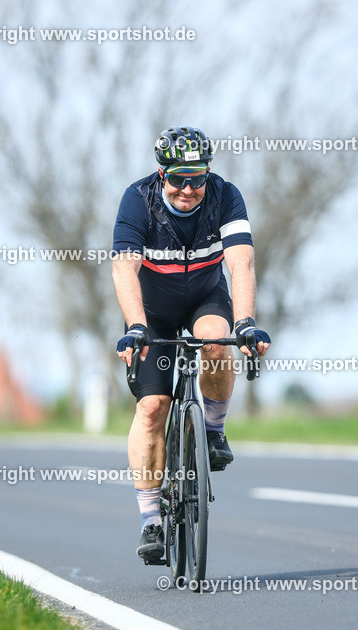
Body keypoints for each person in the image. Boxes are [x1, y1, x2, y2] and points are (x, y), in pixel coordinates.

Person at [111, 126, 271, 561]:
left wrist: (247, 323)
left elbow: (241, 261)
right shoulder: (137, 199)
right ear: (162, 173)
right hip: (153, 310)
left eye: (197, 178)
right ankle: (150, 520)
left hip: (205, 297)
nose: (188, 189)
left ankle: (214, 430)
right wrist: (136, 326)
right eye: (179, 178)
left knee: (217, 345)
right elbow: (125, 269)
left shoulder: (225, 196)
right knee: (153, 408)